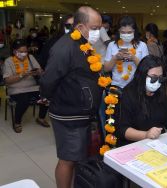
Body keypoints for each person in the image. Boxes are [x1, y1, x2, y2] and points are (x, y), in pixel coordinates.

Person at [40, 6, 103, 188]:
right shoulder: (64, 47)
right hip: (69, 114)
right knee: (67, 159)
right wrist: (51, 98)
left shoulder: (84, 44)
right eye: (95, 28)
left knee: (77, 158)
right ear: (80, 27)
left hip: (81, 112)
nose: (99, 32)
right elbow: (48, 80)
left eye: (100, 28)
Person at [115, 55, 167, 146]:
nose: (157, 82)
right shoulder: (127, 95)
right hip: (133, 145)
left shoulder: (159, 92)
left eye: (160, 78)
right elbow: (122, 130)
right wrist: (145, 135)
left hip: (157, 144)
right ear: (142, 75)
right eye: (153, 77)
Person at [2, 39, 49, 133]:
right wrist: (22, 75)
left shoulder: (30, 57)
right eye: (21, 52)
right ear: (15, 51)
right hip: (16, 89)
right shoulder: (9, 61)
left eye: (25, 51)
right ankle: (17, 122)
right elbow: (7, 80)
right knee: (24, 100)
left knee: (46, 96)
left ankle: (40, 118)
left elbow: (41, 72)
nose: (24, 53)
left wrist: (39, 72)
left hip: (33, 87)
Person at [104, 16, 148, 89]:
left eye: (129, 32)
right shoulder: (112, 45)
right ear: (118, 31)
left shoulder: (142, 45)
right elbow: (106, 69)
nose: (126, 35)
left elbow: (146, 69)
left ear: (135, 31)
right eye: (123, 32)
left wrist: (134, 58)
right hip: (116, 85)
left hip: (136, 85)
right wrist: (115, 58)